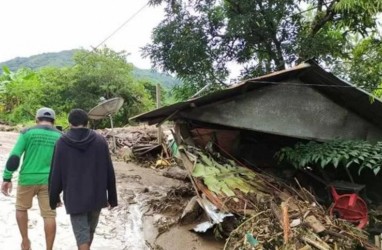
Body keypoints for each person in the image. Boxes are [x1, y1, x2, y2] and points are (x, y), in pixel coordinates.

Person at [49, 108, 118, 250]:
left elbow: (56, 173)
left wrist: (54, 197)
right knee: (88, 234)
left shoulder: (62, 142)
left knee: (82, 236)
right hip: (96, 195)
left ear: (69, 122)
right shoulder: (100, 140)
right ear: (87, 122)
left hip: (75, 197)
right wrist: (112, 197)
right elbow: (109, 170)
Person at [1, 107, 62, 250]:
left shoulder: (27, 133)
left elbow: (15, 156)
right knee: (49, 215)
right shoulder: (60, 136)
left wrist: (7, 177)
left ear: (37, 119)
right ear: (53, 121)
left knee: (21, 209)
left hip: (27, 179)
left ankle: (25, 241)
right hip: (50, 181)